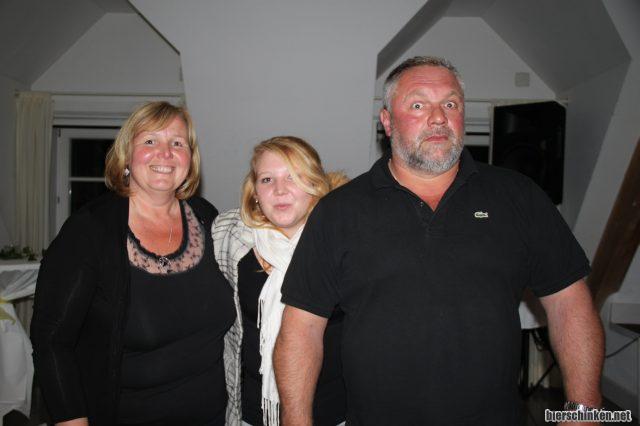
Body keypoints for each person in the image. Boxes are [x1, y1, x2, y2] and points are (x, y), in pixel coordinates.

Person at [274, 56, 604, 425]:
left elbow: (569, 301)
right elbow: (301, 327)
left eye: (450, 104)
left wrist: (585, 410)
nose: (438, 118)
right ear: (387, 121)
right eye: (418, 105)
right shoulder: (339, 211)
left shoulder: (518, 197)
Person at [31, 101, 236, 426]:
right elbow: (52, 340)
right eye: (150, 141)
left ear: (190, 158)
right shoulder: (89, 230)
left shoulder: (207, 217)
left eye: (178, 143)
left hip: (215, 417)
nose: (165, 153)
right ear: (126, 154)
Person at [212, 136, 347, 426]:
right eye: (267, 179)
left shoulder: (345, 243)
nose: (280, 190)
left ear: (315, 185)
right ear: (255, 193)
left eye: (293, 177)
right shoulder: (230, 238)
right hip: (250, 413)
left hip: (334, 412)